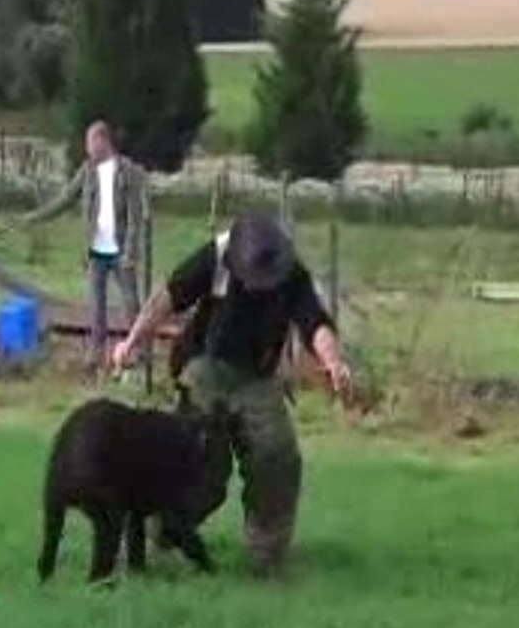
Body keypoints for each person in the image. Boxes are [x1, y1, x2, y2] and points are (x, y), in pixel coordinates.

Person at [111, 214, 352, 578]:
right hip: (205, 366)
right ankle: (157, 528)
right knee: (202, 468)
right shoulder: (217, 256)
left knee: (278, 457)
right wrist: (132, 340)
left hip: (257, 376)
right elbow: (168, 297)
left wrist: (333, 362)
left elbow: (314, 322)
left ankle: (267, 557)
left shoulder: (291, 274)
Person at [39, 121, 146, 370]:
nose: (87, 148)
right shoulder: (87, 171)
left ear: (102, 141)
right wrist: (37, 216)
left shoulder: (126, 171)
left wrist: (131, 249)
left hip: (120, 250)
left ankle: (138, 349)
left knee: (131, 301)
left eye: (90, 142)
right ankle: (96, 353)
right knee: (96, 304)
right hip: (96, 250)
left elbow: (135, 215)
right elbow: (66, 197)